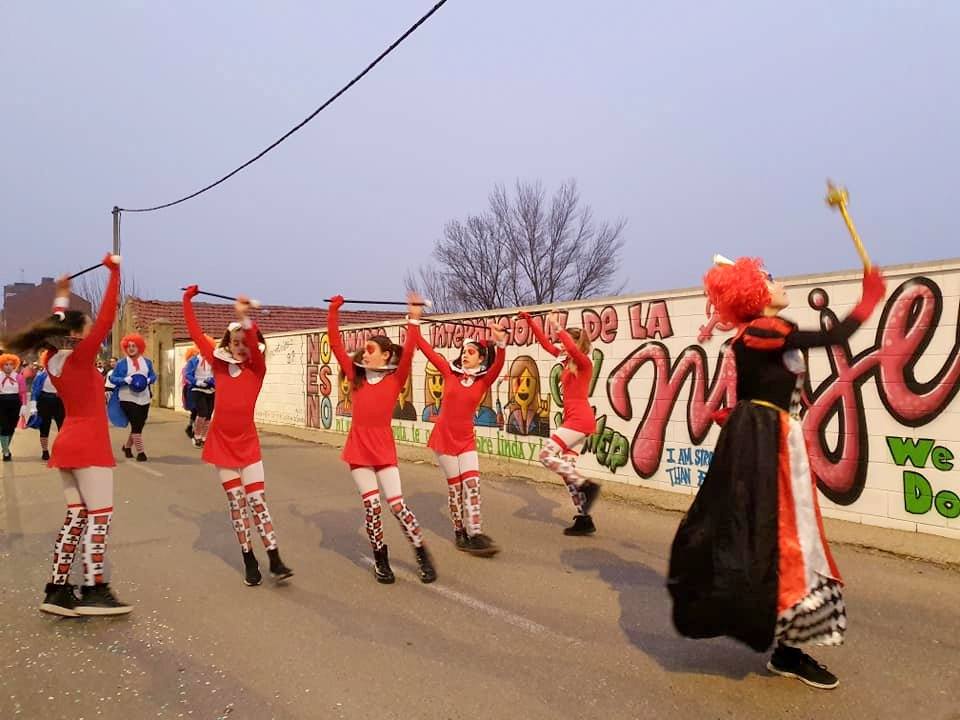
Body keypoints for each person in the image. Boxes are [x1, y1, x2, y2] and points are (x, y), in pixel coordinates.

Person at [667, 256, 886, 690]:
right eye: (770, 279)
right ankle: (785, 644)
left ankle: (786, 644)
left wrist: (738, 412)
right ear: (754, 295)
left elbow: (761, 388)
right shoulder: (766, 330)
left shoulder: (756, 336)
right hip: (770, 444)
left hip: (773, 439)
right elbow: (834, 336)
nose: (781, 282)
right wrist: (868, 300)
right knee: (786, 539)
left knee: (782, 538)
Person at [2, 254, 131, 616]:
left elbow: (58, 325)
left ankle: (57, 589)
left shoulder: (52, 360)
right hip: (89, 444)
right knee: (99, 517)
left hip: (68, 443)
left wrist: (61, 295)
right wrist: (115, 273)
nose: (93, 331)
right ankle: (94, 588)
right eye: (86, 328)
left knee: (77, 517)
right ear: (76, 334)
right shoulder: (79, 359)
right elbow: (106, 316)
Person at [183, 285, 293, 587]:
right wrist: (187, 301)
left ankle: (274, 557)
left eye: (245, 342)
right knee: (236, 503)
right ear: (227, 345)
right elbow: (195, 333)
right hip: (222, 444)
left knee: (257, 501)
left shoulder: (256, 369)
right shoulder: (218, 364)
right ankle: (248, 558)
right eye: (235, 342)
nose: (240, 347)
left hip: (247, 444)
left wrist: (244, 319)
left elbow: (252, 341)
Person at [327, 292, 436, 584]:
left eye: (371, 349)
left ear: (386, 355)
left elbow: (411, 349)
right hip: (359, 451)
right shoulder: (356, 375)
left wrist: (414, 316)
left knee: (398, 505)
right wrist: (334, 311)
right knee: (373, 507)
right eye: (364, 350)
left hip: (383, 450)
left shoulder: (395, 378)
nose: (365, 353)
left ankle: (422, 554)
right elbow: (336, 344)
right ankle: (381, 560)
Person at [414, 328, 506, 556]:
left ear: (481, 358)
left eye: (471, 352)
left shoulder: (483, 381)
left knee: (472, 485)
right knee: (455, 488)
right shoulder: (450, 373)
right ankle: (459, 533)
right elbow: (428, 352)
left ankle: (475, 533)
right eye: (464, 351)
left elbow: (499, 363)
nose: (465, 355)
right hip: (444, 439)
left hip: (466, 440)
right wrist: (414, 321)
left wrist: (500, 342)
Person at [521, 310, 601, 535]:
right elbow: (546, 345)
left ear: (576, 343)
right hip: (575, 421)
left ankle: (586, 484)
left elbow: (573, 349)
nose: (562, 346)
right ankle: (585, 520)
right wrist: (530, 321)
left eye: (566, 343)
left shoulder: (584, 362)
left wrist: (557, 325)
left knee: (545, 456)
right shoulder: (567, 361)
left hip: (579, 420)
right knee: (567, 473)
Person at [109, 335, 156, 461]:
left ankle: (127, 446)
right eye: (128, 346)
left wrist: (149, 379)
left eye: (133, 346)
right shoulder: (121, 363)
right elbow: (112, 378)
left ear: (139, 347)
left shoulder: (147, 362)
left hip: (144, 397)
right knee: (135, 423)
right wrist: (124, 380)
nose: (131, 348)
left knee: (139, 424)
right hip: (127, 397)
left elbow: (153, 376)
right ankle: (141, 452)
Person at [29, 350, 65, 460]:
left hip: (59, 401)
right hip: (44, 400)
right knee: (44, 427)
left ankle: (62, 450)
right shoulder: (41, 375)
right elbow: (35, 391)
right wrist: (33, 406)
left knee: (63, 427)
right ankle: (45, 451)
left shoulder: (62, 374)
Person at [185, 339, 216, 448]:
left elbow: (218, 374)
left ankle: (204, 437)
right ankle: (196, 436)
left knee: (208, 415)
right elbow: (187, 374)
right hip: (197, 389)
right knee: (202, 412)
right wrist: (197, 382)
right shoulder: (193, 360)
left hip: (211, 390)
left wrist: (212, 381)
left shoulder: (213, 361)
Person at [0, 353, 28, 461]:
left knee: (11, 427)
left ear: (14, 365)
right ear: (2, 365)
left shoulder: (18, 377)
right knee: (4, 427)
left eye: (11, 364)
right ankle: (6, 452)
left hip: (15, 403)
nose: (8, 366)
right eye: (6, 364)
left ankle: (5, 447)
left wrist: (24, 405)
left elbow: (23, 393)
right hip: (1, 403)